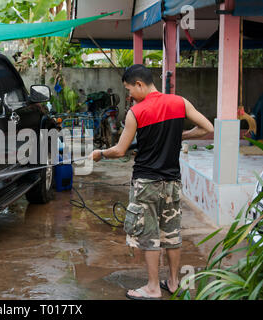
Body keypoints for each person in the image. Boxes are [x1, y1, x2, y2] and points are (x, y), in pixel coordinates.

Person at [90, 64, 214, 300]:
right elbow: (207, 128)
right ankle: (174, 283)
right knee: (172, 234)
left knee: (148, 236)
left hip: (146, 183)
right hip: (172, 182)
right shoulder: (179, 103)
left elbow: (120, 150)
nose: (129, 95)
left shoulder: (136, 112)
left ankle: (153, 287)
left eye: (129, 89)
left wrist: (100, 154)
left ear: (139, 84)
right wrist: (182, 134)